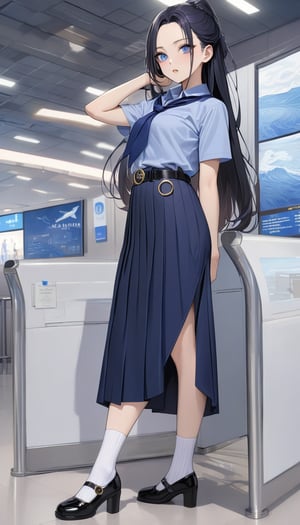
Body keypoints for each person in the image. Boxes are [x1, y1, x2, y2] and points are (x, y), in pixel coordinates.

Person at [55, 0, 255, 520]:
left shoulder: (209, 109)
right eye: (161, 53)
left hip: (180, 219)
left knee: (151, 342)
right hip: (143, 225)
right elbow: (95, 109)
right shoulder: (152, 109)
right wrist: (144, 79)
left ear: (206, 52)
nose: (169, 61)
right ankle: (182, 470)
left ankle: (102, 475)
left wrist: (210, 242)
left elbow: (207, 181)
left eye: (181, 49)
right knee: (182, 349)